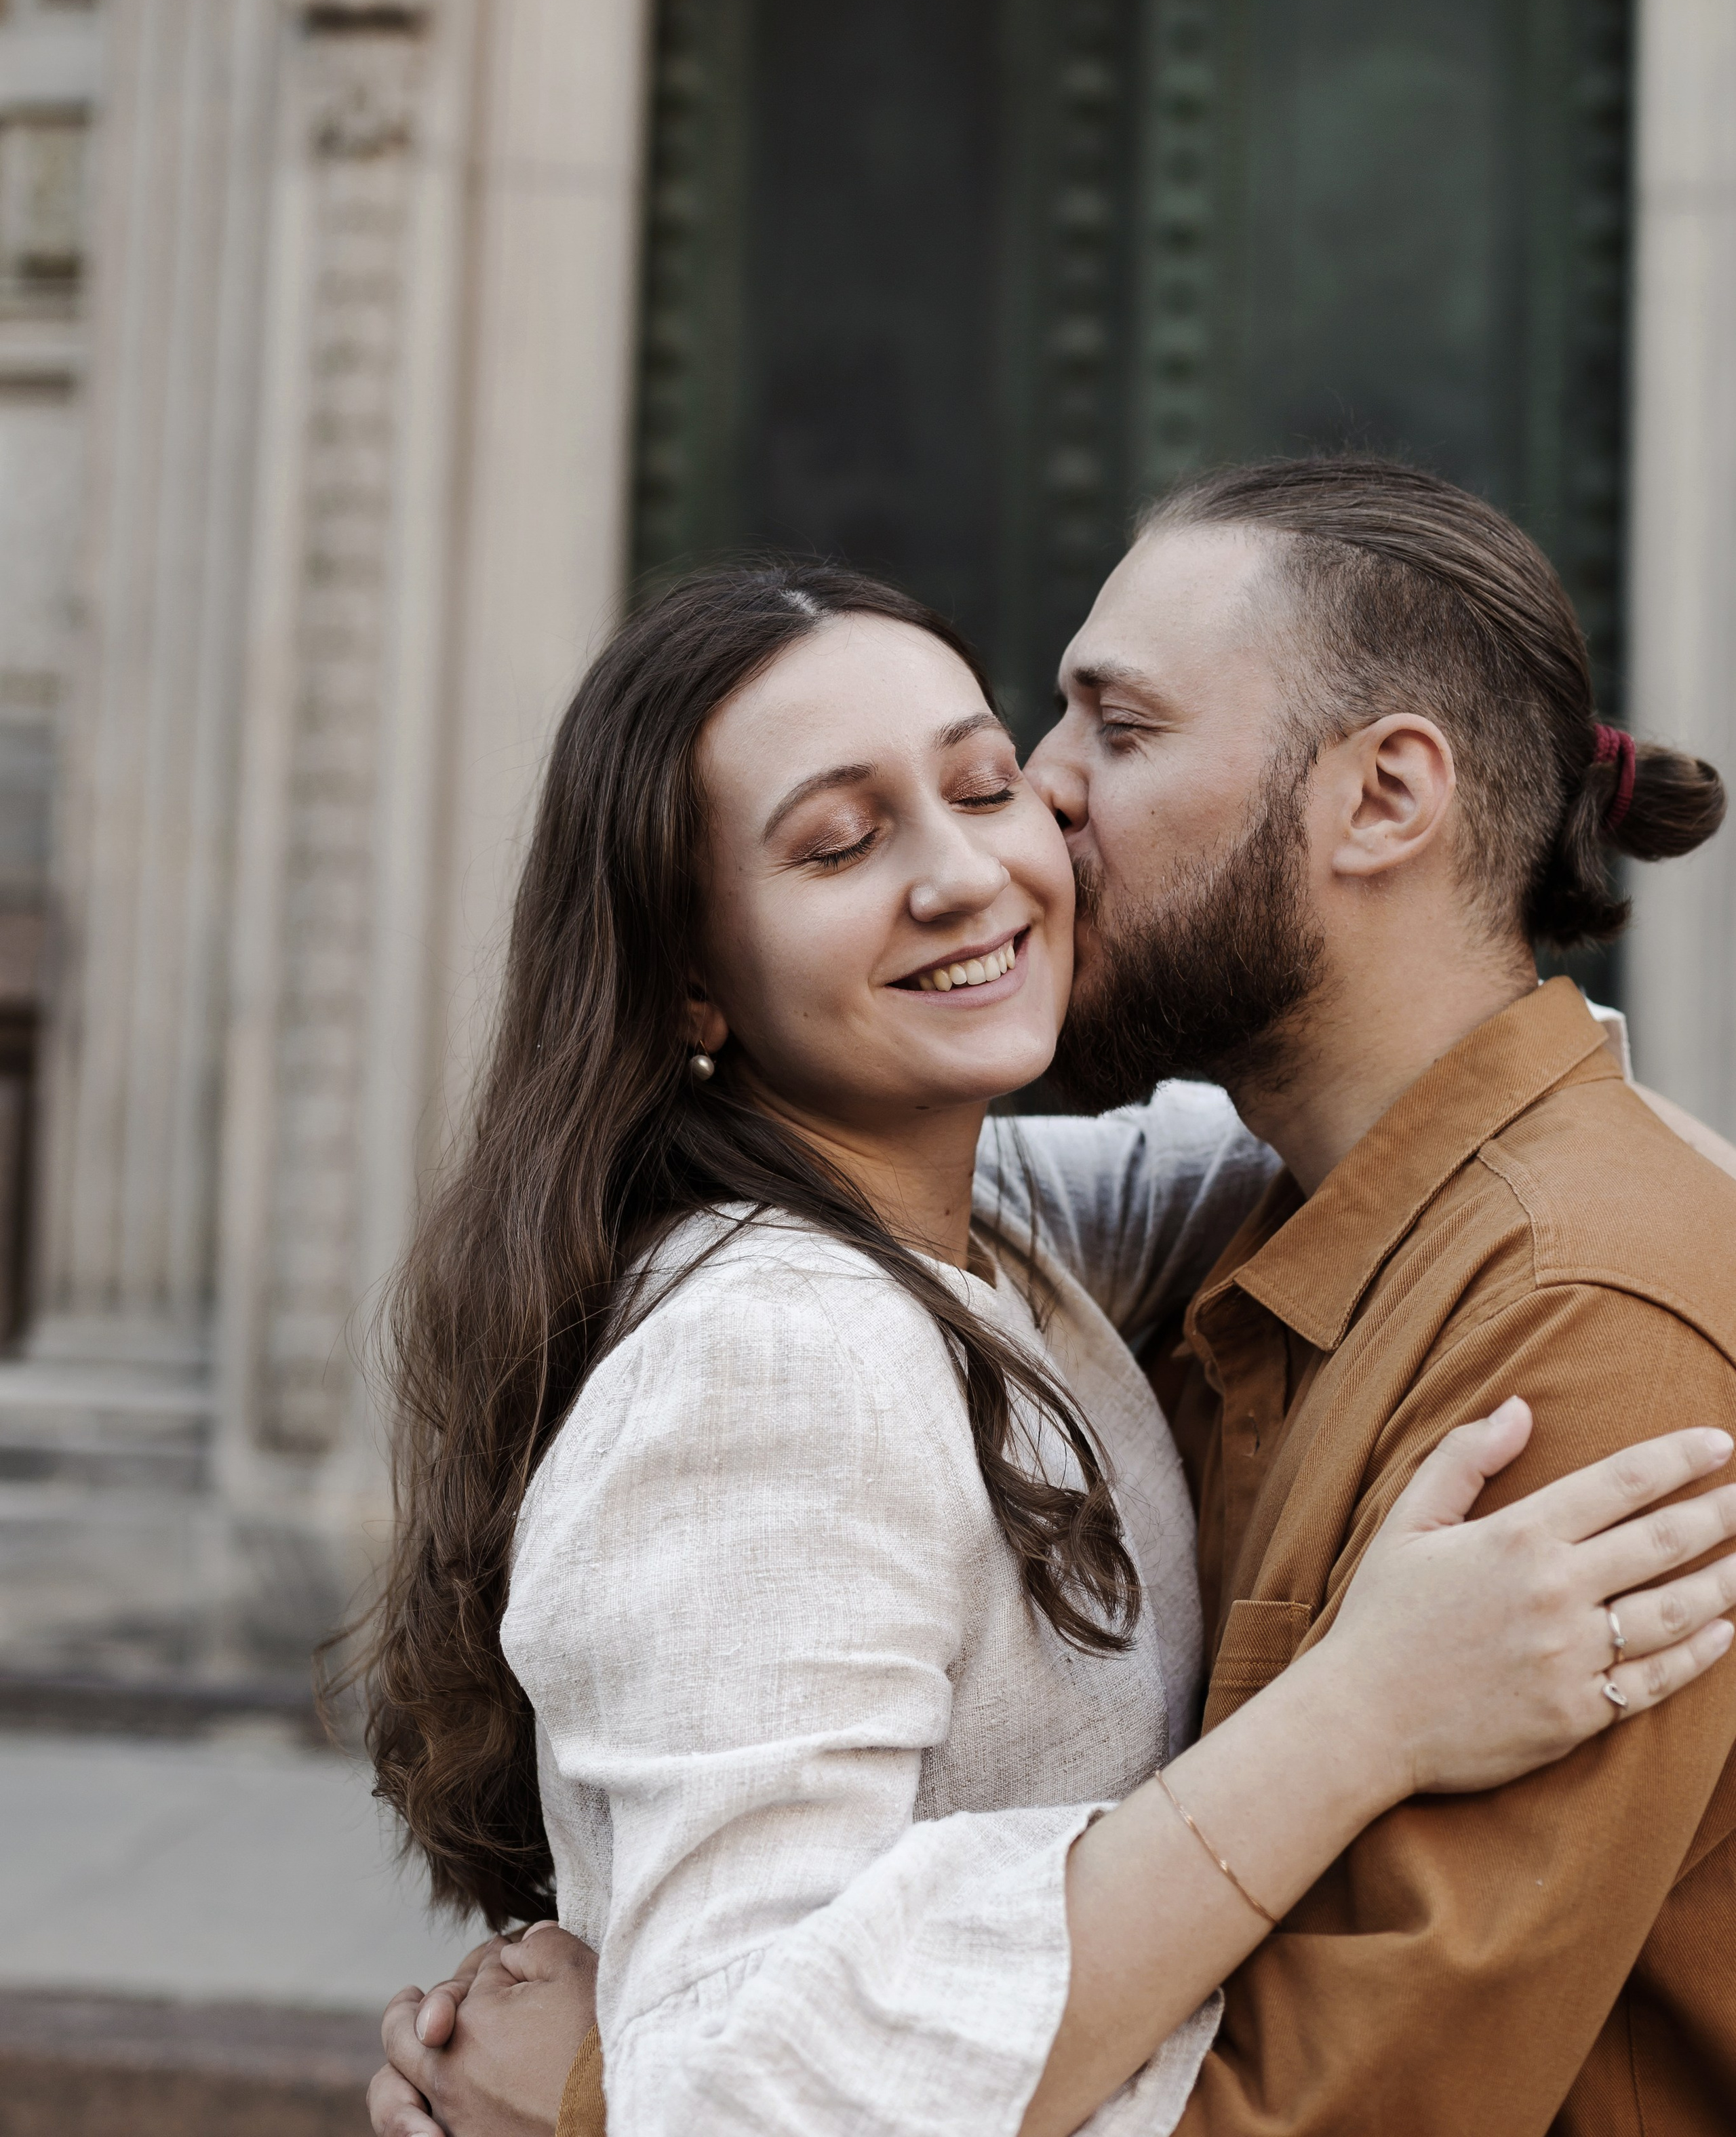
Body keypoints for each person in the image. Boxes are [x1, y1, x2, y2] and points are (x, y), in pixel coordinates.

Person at [356, 517, 1736, 2137]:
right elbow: (735, 2070)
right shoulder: (784, 1335)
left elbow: (1466, 1137)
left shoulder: (1041, 1234)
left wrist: (599, 2104)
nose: (1032, 811)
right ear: (690, 985)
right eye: (832, 844)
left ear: (1384, 798)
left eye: (1092, 737)